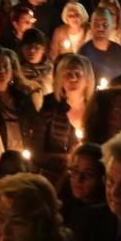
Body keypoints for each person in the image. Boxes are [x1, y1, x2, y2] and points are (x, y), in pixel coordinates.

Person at [34, 53, 94, 186]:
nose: (73, 78)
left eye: (78, 74)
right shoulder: (49, 106)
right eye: (68, 74)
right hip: (54, 179)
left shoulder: (95, 108)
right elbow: (37, 154)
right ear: (60, 79)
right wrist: (67, 158)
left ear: (87, 80)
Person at [0, 48, 41, 157]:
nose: (1, 71)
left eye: (5, 66)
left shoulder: (22, 97)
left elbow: (36, 123)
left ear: (12, 70)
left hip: (23, 156)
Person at [57, 143, 105, 226]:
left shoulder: (105, 218)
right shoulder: (60, 205)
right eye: (75, 171)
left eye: (89, 174)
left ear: (102, 178)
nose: (79, 179)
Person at [78, 6, 121, 84]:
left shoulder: (119, 50)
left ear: (112, 26)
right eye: (96, 23)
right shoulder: (83, 53)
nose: (100, 28)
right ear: (91, 26)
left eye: (105, 24)